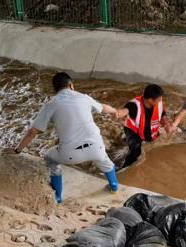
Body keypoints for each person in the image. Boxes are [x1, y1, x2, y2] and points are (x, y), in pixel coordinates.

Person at [7, 72, 127, 203]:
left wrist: (18, 150)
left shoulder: (51, 104)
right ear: (71, 85)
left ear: (55, 89)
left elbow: (33, 131)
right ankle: (114, 186)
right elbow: (103, 107)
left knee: (49, 158)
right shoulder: (84, 97)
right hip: (95, 148)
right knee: (104, 159)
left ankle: (58, 195)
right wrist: (116, 111)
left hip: (70, 155)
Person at [121, 84, 170, 168]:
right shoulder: (134, 105)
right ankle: (125, 168)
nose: (161, 100)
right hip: (133, 130)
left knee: (155, 143)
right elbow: (126, 110)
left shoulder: (158, 102)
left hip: (148, 128)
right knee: (136, 148)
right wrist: (119, 113)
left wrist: (165, 122)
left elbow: (162, 112)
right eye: (158, 99)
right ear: (150, 100)